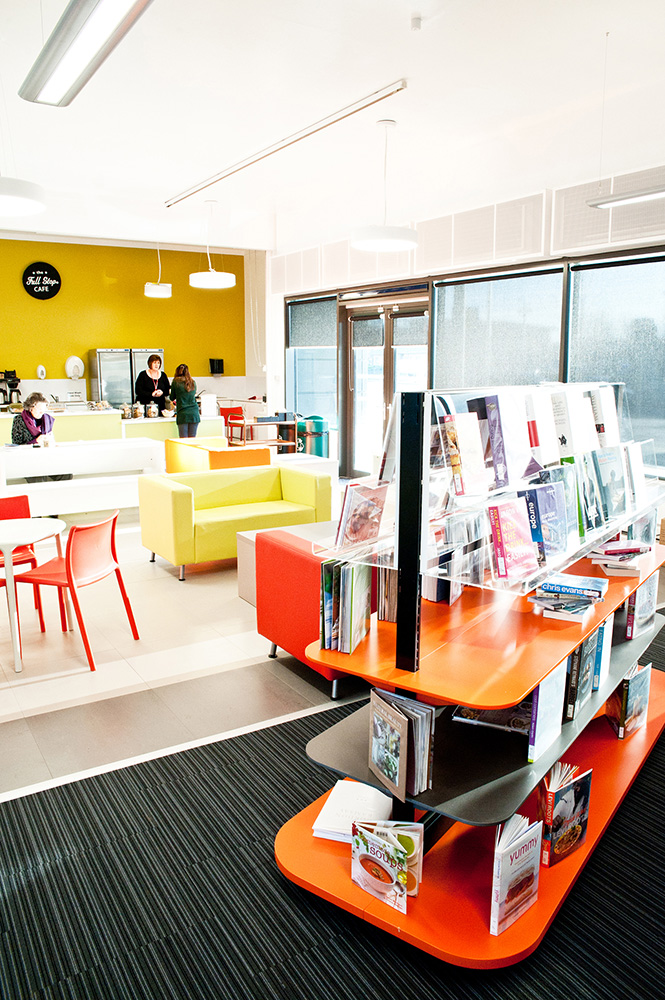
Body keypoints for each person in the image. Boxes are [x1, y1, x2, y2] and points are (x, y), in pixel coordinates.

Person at [11, 391, 72, 482]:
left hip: (46, 458)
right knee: (39, 478)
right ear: (30, 408)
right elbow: (16, 445)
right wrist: (35, 441)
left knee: (67, 475)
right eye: (39, 409)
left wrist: (53, 444)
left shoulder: (46, 419)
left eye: (43, 409)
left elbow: (50, 438)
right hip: (28, 461)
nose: (42, 412)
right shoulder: (19, 420)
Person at [170, 363, 200, 438]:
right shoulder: (192, 382)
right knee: (192, 439)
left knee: (183, 440)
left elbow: (172, 397)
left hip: (183, 414)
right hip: (194, 414)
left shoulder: (175, 382)